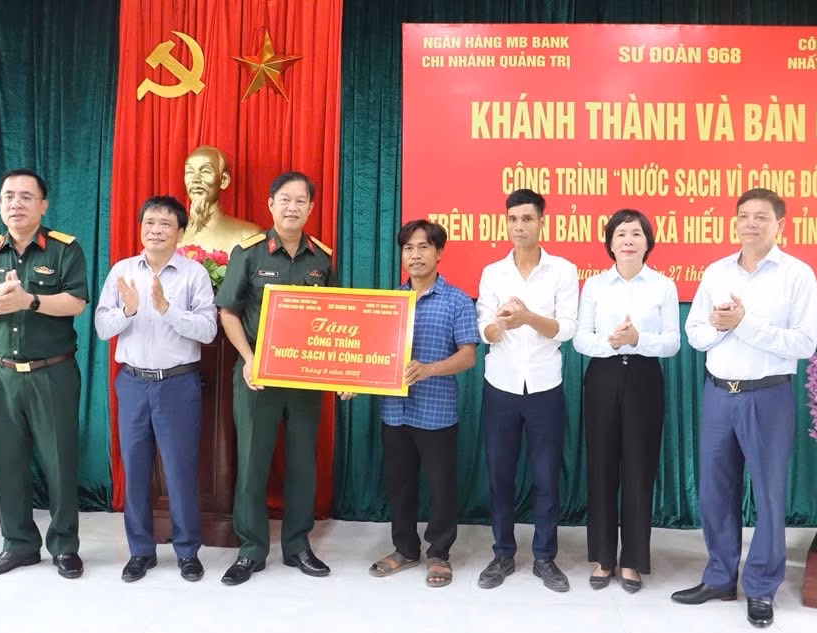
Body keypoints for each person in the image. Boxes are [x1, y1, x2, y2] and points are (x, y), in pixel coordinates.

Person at [673, 188, 817, 628]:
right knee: (715, 490)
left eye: (761, 217)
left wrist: (745, 323)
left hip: (768, 395)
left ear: (780, 225)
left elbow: (803, 343)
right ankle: (720, 577)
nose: (750, 224)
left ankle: (761, 586)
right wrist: (722, 326)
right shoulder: (717, 271)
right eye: (743, 216)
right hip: (719, 393)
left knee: (770, 495)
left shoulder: (797, 274)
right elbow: (695, 334)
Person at [214, 171, 342, 586]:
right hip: (259, 376)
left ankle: (297, 545)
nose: (292, 207)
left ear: (311, 207)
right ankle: (251, 550)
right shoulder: (249, 253)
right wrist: (249, 359)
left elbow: (337, 319)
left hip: (305, 377)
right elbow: (228, 312)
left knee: (303, 462)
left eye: (301, 201)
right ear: (271, 204)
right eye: (285, 199)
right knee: (252, 462)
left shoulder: (322, 259)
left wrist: (344, 372)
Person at [0, 169, 88, 579]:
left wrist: (28, 300)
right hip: (0, 374)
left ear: (43, 205)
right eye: (8, 197)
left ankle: (64, 546)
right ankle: (18, 545)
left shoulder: (64, 249)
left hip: (52, 372)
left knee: (60, 462)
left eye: (25, 196)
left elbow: (76, 302)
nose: (15, 204)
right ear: (0, 204)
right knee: (7, 464)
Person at [94, 195, 217, 583]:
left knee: (180, 472)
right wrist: (128, 310)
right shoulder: (122, 271)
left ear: (180, 232)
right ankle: (141, 551)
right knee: (134, 470)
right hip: (133, 383)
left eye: (165, 224)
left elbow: (208, 331)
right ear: (140, 228)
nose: (156, 230)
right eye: (149, 222)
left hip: (177, 384)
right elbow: (102, 328)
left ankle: (187, 552)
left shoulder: (194, 275)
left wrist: (167, 309)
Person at [475, 188, 578, 593]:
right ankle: (502, 553)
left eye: (527, 219)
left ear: (541, 223)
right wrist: (499, 325)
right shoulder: (493, 273)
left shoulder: (562, 271)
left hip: (544, 387)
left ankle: (545, 557)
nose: (519, 226)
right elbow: (484, 328)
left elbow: (566, 329)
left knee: (546, 477)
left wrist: (529, 318)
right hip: (500, 385)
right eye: (513, 219)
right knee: (500, 474)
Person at [572, 209, 679, 594]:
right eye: (621, 234)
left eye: (636, 233)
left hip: (644, 378)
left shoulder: (663, 286)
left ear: (648, 242)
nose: (629, 240)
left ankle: (632, 559)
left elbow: (672, 343)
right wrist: (612, 342)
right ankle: (603, 557)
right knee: (601, 467)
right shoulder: (595, 285)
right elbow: (580, 339)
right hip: (603, 375)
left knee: (639, 468)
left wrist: (637, 340)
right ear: (610, 243)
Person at [369, 220, 478, 588]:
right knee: (399, 484)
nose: (415, 255)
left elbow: (468, 356)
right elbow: (373, 355)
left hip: (436, 412)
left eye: (423, 247)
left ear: (439, 253)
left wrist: (429, 369)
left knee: (441, 486)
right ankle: (405, 549)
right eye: (408, 248)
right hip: (395, 410)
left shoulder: (457, 300)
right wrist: (355, 381)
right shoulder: (390, 303)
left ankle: (439, 554)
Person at [179, 145, 262, 253]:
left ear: (224, 180)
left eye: (205, 171)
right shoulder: (171, 233)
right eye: (190, 172)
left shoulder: (248, 236)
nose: (195, 179)